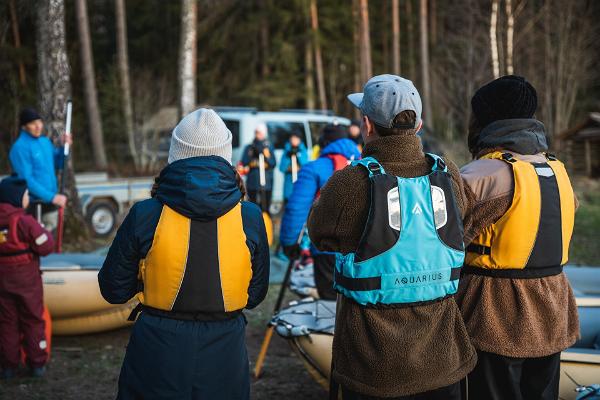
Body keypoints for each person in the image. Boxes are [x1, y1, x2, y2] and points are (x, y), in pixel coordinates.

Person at [308, 75, 476, 399]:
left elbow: (320, 235)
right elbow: (464, 222)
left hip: (372, 368)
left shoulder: (350, 183)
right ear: (419, 124)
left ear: (367, 125)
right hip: (444, 361)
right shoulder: (449, 174)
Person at [98, 109, 270, 399]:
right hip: (224, 351)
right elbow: (255, 294)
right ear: (225, 156)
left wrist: (149, 280)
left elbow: (113, 289)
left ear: (176, 154)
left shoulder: (146, 214)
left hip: (156, 351)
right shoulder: (250, 217)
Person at [456, 75, 579, 400]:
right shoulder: (559, 170)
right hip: (552, 316)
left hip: (494, 320)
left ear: (484, 119)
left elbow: (441, 242)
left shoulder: (478, 176)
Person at [280, 124, 360, 300]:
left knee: (330, 303)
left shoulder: (314, 168)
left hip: (327, 248)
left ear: (324, 143)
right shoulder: (365, 164)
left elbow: (297, 208)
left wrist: (289, 242)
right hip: (363, 249)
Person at [0, 177, 54, 379]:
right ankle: (36, 363)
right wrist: (44, 233)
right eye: (25, 195)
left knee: (6, 322)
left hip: (2, 281)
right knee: (32, 319)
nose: (27, 199)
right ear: (16, 197)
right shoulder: (24, 221)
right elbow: (46, 246)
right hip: (26, 281)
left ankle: (8, 367)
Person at [9, 108, 69, 231]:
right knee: (36, 241)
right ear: (24, 127)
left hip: (50, 202)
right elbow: (26, 180)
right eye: (32, 123)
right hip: (33, 205)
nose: (38, 126)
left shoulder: (45, 142)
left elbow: (59, 163)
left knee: (48, 242)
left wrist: (64, 147)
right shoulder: (19, 148)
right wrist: (52, 197)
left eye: (39, 122)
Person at [240, 123, 276, 213]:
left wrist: (265, 154)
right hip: (253, 183)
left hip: (266, 184)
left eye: (260, 133)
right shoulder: (249, 147)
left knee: (265, 208)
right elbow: (244, 162)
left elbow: (273, 163)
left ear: (264, 134)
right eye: (256, 132)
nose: (258, 135)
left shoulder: (268, 147)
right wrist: (252, 153)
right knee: (252, 208)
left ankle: (267, 225)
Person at [279, 133, 308, 204]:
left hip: (300, 183)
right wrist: (289, 159)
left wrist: (298, 155)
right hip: (289, 184)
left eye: (296, 138)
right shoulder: (287, 151)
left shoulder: (303, 150)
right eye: (292, 138)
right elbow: (282, 168)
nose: (294, 140)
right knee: (288, 202)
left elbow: (305, 165)